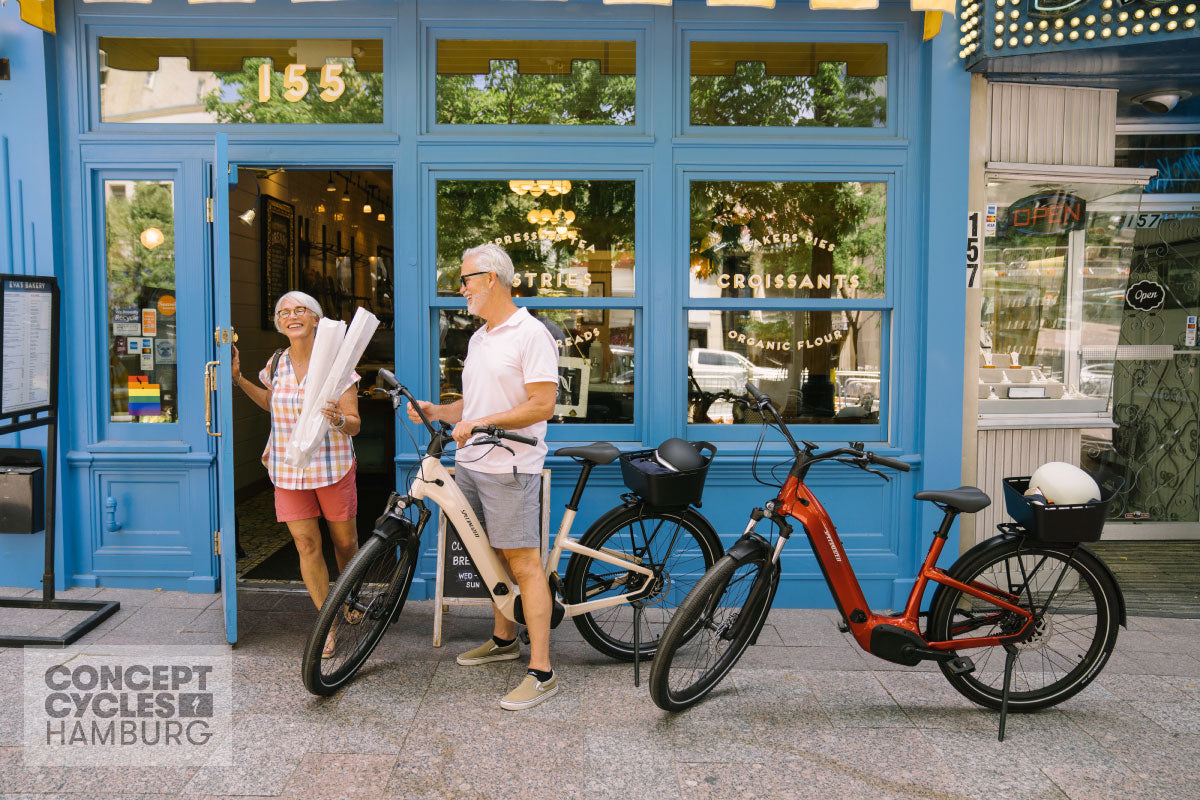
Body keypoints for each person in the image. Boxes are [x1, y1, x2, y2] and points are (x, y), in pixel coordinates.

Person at [407, 243, 559, 710]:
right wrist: (440, 410)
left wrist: (479, 424)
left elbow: (542, 404)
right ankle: (503, 638)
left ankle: (542, 670)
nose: (461, 288)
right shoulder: (480, 336)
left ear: (491, 278)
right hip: (470, 463)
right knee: (487, 553)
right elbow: (473, 408)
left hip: (509, 468)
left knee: (524, 565)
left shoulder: (530, 334)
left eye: (466, 279)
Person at [231, 291, 363, 659]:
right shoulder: (275, 364)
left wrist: (337, 418)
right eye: (283, 312)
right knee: (306, 544)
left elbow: (354, 424)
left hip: (332, 466)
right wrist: (240, 379)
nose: (291, 316)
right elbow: (271, 405)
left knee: (345, 545)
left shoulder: (338, 366)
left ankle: (350, 595)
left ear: (317, 319)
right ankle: (328, 623)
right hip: (288, 469)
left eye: (300, 309)